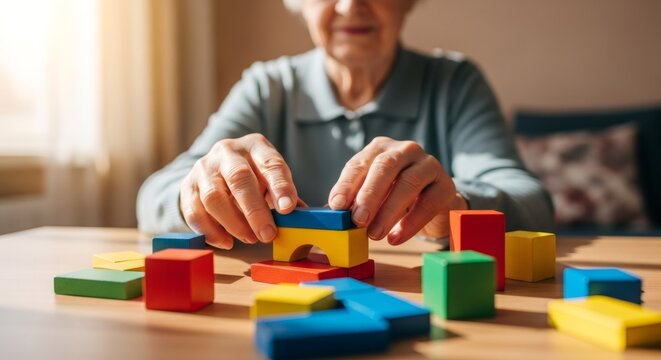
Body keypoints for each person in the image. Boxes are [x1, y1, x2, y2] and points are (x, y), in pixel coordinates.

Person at [137, 0, 554, 250]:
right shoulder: (268, 87)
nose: (352, 3)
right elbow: (153, 196)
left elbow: (533, 203)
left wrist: (457, 207)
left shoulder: (455, 83)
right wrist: (200, 191)